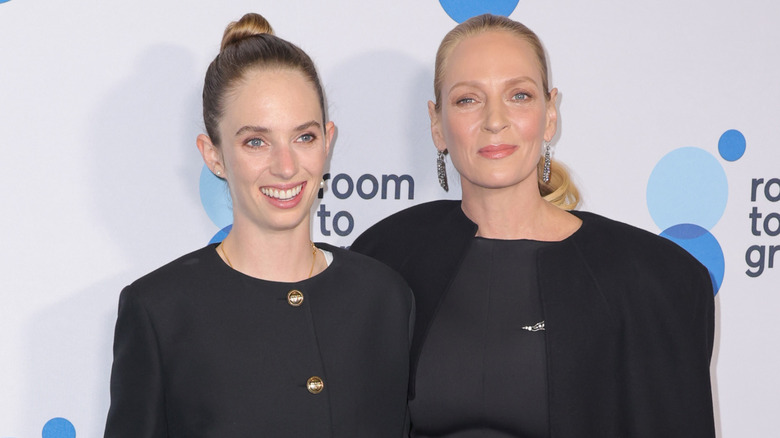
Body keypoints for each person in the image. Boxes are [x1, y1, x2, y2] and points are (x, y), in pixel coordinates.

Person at [351, 13, 715, 438]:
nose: (494, 120)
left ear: (550, 115)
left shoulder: (651, 280)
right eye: (468, 99)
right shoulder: (385, 258)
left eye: (519, 95)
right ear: (436, 124)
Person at [104, 13, 412, 437]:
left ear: (328, 140)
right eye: (256, 141)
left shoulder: (385, 297)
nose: (286, 167)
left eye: (304, 137)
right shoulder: (159, 310)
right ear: (213, 155)